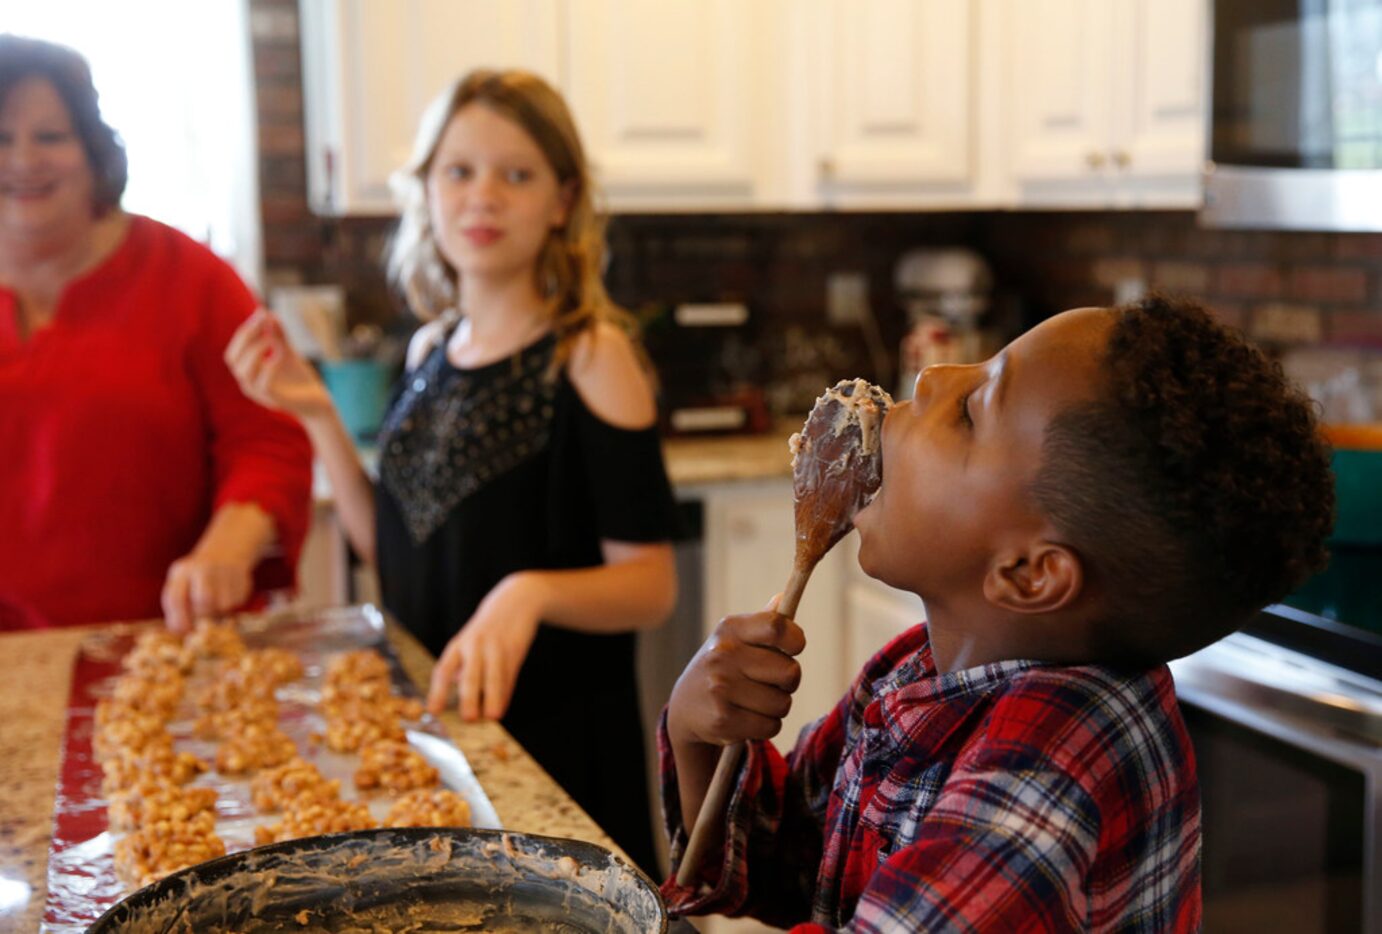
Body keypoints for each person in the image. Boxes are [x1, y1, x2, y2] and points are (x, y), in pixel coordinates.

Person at [661, 296, 1335, 931]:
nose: (930, 377)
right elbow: (798, 860)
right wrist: (699, 734)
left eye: (970, 413)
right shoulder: (919, 668)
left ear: (1029, 574)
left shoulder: (1047, 776)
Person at [226, 69, 679, 875]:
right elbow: (393, 549)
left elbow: (650, 584)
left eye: (517, 174)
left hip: (555, 745)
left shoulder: (591, 356)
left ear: (562, 201)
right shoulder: (428, 350)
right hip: (440, 728)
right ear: (427, 191)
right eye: (459, 171)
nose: (483, 197)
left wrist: (529, 590)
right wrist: (318, 414)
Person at [0, 34, 313, 632]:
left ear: (92, 149)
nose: (23, 161)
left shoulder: (191, 277)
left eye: (50, 136)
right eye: (1, 139)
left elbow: (269, 439)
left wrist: (229, 546)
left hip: (172, 638)